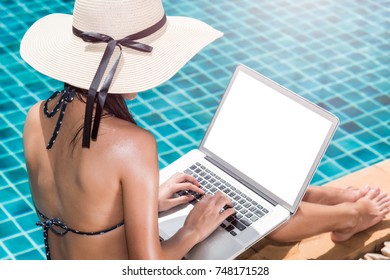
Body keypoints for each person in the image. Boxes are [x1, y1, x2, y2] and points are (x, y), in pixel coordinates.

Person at [21, 0, 390, 260]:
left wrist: (148, 202)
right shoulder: (132, 144)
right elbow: (150, 267)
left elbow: (79, 206)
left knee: (236, 192)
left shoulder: (37, 115)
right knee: (243, 215)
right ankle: (352, 216)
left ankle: (323, 196)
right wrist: (194, 229)